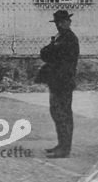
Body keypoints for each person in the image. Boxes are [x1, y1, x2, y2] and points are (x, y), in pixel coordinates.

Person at [40, 10, 80, 159]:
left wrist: (51, 48)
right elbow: (44, 54)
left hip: (63, 82)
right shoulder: (61, 38)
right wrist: (51, 48)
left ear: (68, 22)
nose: (59, 25)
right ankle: (61, 145)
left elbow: (50, 55)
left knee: (62, 114)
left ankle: (64, 148)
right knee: (57, 113)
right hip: (57, 81)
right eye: (57, 22)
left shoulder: (68, 39)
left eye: (62, 22)